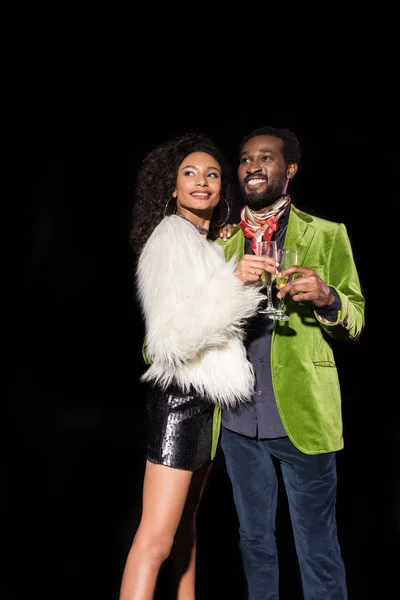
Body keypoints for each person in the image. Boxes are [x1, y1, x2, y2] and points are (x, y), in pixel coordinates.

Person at [216, 125, 365, 599]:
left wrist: (325, 297)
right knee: (254, 540)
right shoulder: (222, 243)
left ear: (290, 169)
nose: (252, 167)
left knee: (317, 545)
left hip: (304, 415)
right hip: (240, 420)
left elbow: (356, 319)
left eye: (266, 158)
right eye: (244, 159)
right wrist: (225, 284)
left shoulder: (326, 234)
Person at [119, 132, 266, 600]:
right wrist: (232, 278)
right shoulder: (170, 237)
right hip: (180, 400)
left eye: (212, 174)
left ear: (222, 188)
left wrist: (226, 257)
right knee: (156, 540)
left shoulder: (203, 241)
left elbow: (203, 296)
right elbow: (171, 338)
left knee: (185, 531)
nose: (201, 181)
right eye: (190, 173)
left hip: (206, 401)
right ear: (172, 187)